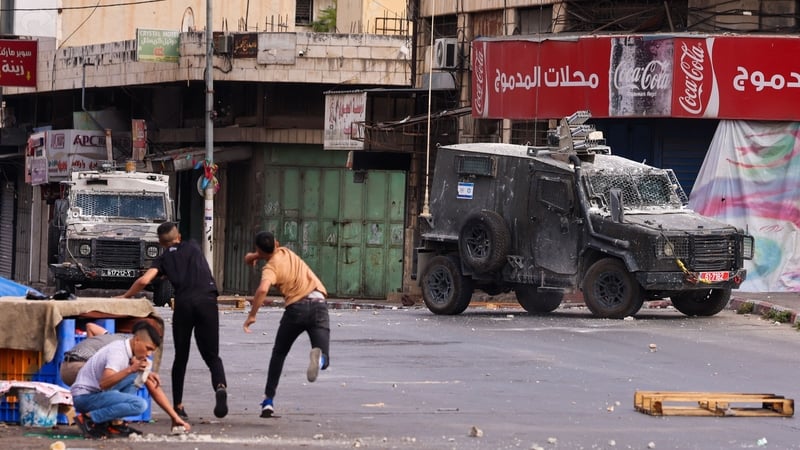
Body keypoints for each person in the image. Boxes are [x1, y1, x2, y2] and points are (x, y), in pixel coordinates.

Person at [119, 221, 228, 420]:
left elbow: (144, 281)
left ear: (161, 243)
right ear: (178, 237)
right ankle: (220, 386)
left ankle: (178, 405)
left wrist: (124, 297)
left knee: (181, 356)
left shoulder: (162, 260)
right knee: (212, 355)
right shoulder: (193, 246)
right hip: (207, 301)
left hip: (184, 304)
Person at [242, 231, 331, 418]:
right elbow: (266, 250)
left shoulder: (270, 269)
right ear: (277, 243)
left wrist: (252, 315)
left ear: (259, 249)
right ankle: (320, 359)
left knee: (279, 353)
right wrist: (254, 256)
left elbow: (263, 289)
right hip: (318, 305)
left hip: (295, 309)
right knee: (324, 354)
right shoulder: (285, 252)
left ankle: (268, 401)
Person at [70, 321, 191, 439]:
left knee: (138, 377)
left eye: (151, 351)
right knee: (139, 405)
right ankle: (89, 419)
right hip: (84, 397)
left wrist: (174, 417)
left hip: (97, 394)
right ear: (137, 340)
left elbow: (154, 388)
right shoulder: (118, 353)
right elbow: (104, 383)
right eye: (147, 348)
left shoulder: (132, 352)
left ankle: (115, 423)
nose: (148, 354)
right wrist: (130, 369)